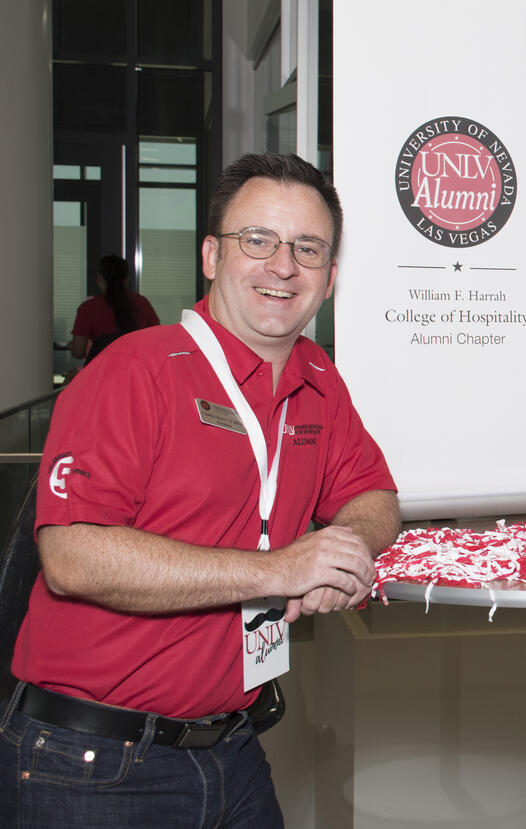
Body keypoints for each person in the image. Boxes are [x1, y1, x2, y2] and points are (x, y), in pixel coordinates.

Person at [0, 152, 400, 828]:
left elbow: (375, 498)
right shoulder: (136, 371)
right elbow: (72, 558)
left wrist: (343, 552)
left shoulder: (317, 379)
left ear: (330, 278)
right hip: (94, 762)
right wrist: (280, 568)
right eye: (258, 240)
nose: (282, 265)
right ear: (212, 256)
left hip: (232, 748)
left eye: (307, 248)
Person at [68, 253, 160, 364]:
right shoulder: (142, 303)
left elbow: (78, 352)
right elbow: (157, 342)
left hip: (103, 372)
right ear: (127, 279)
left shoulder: (89, 308)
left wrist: (71, 345)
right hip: (137, 371)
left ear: (99, 277)